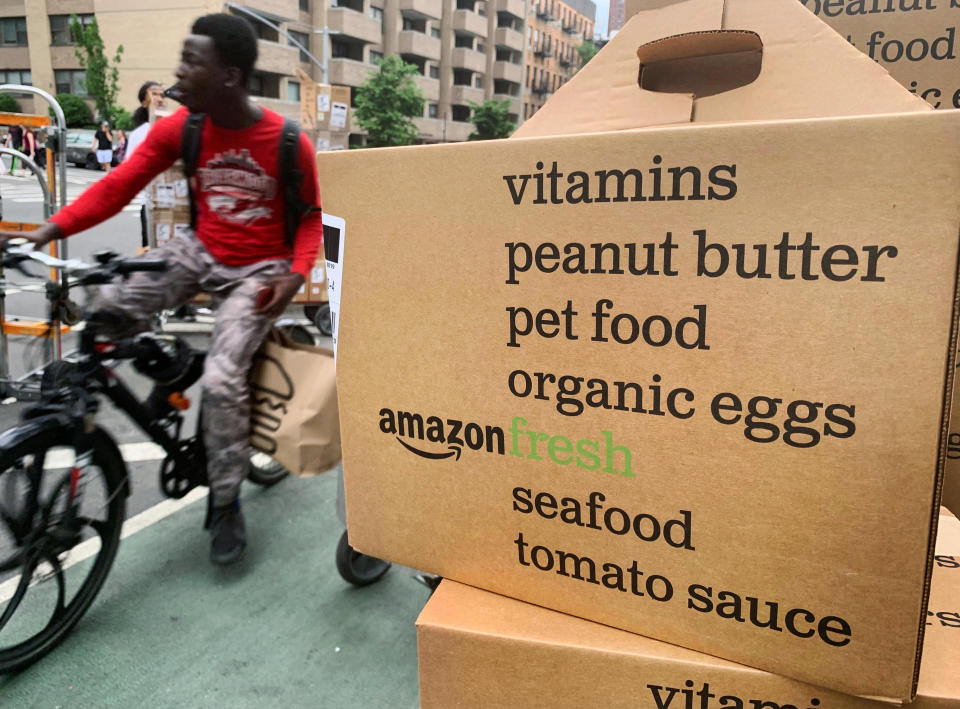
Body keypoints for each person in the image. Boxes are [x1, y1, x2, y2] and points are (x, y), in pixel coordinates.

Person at [0, 13, 323, 565]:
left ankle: (225, 500)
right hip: (201, 251)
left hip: (261, 271)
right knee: (108, 307)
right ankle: (168, 369)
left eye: (192, 60)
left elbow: (313, 219)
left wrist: (294, 277)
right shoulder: (185, 129)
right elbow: (117, 186)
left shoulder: (288, 141)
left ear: (230, 75)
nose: (178, 72)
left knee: (223, 378)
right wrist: (50, 230)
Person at [125, 80, 166, 248]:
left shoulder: (174, 127)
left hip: (175, 205)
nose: (160, 98)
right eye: (154, 94)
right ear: (144, 102)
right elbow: (129, 169)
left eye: (162, 95)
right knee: (150, 251)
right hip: (150, 205)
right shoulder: (138, 134)